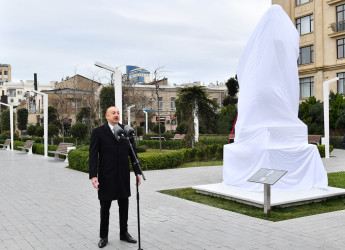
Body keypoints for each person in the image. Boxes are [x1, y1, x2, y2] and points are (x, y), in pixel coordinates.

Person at [89, 106, 142, 248]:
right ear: (106, 116)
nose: (116, 115)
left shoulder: (126, 131)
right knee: (105, 206)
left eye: (118, 113)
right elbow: (93, 155)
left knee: (124, 205)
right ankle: (103, 236)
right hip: (106, 176)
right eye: (113, 113)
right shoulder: (98, 132)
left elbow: (133, 153)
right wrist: (93, 175)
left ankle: (124, 233)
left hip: (123, 175)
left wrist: (137, 171)